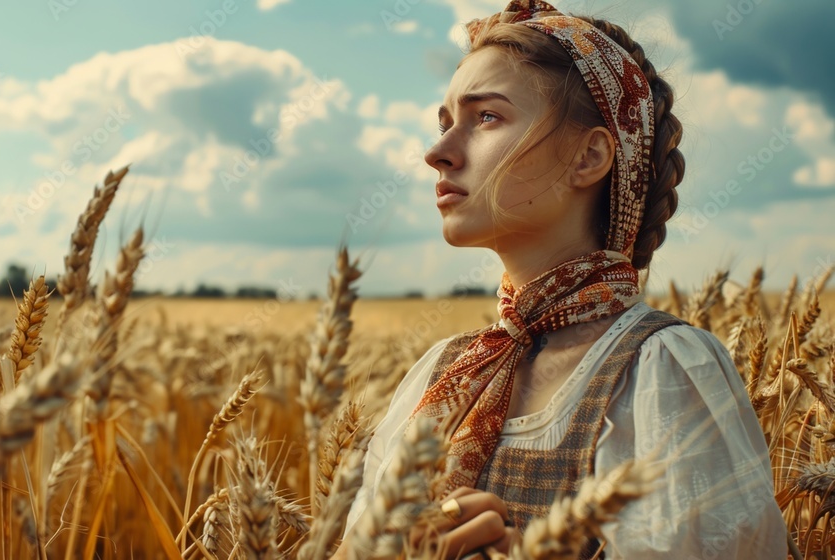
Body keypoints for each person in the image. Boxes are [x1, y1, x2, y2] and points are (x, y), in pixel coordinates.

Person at [335, 1, 789, 558]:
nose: (438, 153)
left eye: (486, 118)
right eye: (445, 122)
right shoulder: (441, 372)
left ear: (589, 156)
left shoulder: (661, 370)